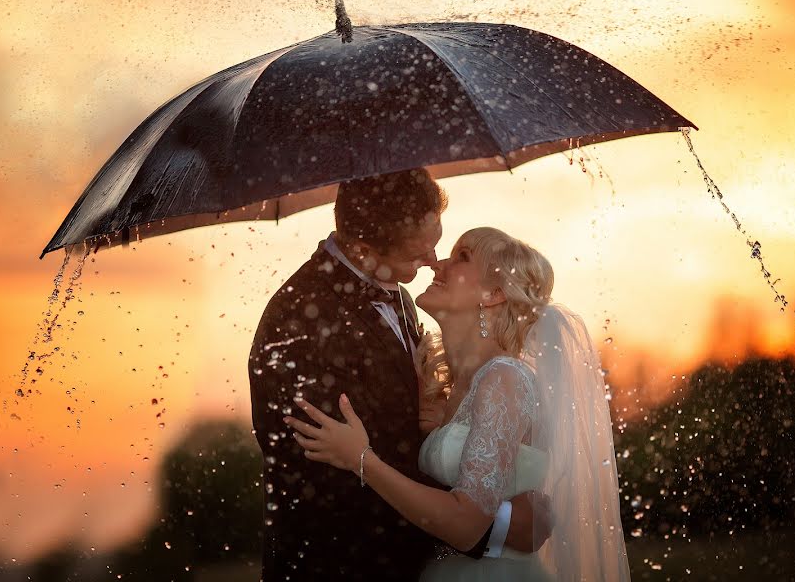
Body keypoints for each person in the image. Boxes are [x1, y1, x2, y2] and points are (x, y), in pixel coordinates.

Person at [285, 227, 631, 581]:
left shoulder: (504, 379)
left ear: (494, 293)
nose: (437, 265)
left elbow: (467, 524)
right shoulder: (456, 388)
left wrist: (361, 460)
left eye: (462, 256)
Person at [249, 171, 546, 582]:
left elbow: (404, 442)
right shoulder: (299, 319)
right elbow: (325, 478)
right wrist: (501, 525)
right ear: (364, 247)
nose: (432, 261)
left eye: (439, 245)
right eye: (417, 253)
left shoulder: (403, 299)